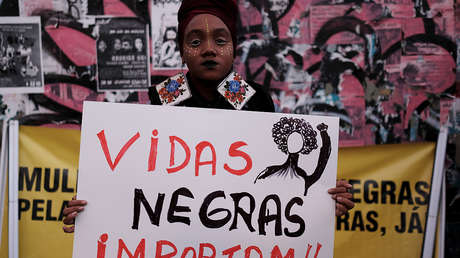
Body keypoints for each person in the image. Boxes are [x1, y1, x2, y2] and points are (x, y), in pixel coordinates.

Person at [63, 0, 354, 233]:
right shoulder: (158, 101)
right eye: (195, 41)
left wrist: (322, 201)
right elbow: (132, 180)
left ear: (234, 47)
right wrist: (92, 212)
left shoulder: (255, 101)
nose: (209, 49)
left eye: (220, 40)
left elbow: (281, 183)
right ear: (181, 50)